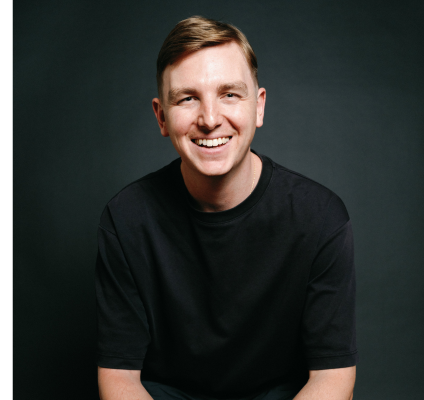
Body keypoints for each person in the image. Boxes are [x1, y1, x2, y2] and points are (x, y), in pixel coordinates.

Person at [95, 16, 358, 400]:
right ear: (161, 116)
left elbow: (331, 378)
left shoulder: (320, 218)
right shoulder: (126, 219)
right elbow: (119, 379)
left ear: (259, 107)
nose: (210, 119)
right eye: (187, 98)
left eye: (230, 94)